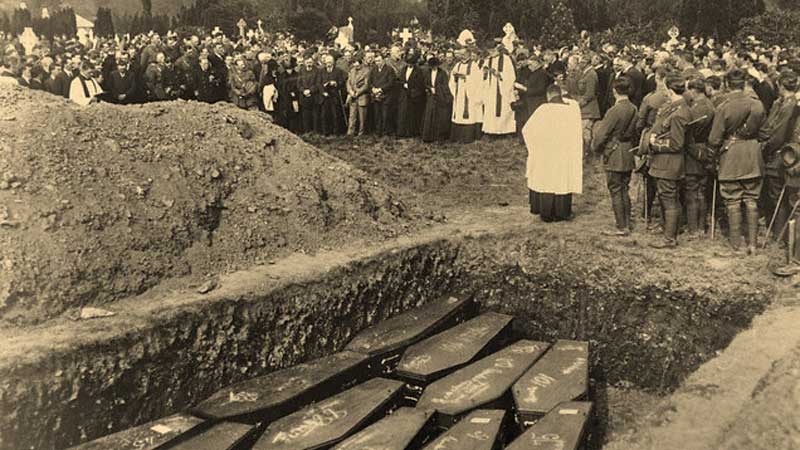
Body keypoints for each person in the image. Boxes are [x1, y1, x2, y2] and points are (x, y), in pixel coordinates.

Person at [708, 69, 766, 255]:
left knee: (732, 200)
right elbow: (765, 133)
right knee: (751, 199)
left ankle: (737, 246)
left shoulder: (724, 106)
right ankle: (753, 245)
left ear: (726, 85)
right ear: (744, 84)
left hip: (731, 155)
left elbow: (714, 139)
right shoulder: (757, 105)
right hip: (752, 155)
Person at [644, 73, 692, 249]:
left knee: (669, 199)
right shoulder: (676, 107)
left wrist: (655, 144)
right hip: (666, 163)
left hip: (668, 163)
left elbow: (677, 144)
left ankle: (669, 238)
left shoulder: (679, 112)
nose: (663, 91)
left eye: (664, 88)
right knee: (669, 198)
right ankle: (670, 230)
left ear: (671, 90)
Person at [523, 85, 583, 222]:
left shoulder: (543, 110)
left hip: (546, 152)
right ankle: (562, 212)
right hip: (564, 153)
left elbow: (527, 130)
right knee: (562, 180)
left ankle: (546, 213)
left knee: (546, 180)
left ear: (549, 96)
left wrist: (534, 148)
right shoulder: (572, 111)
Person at [592, 77, 639, 236]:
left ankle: (621, 226)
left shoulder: (614, 110)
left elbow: (601, 134)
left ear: (614, 91)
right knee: (624, 188)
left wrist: (596, 148)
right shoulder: (634, 108)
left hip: (614, 151)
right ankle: (626, 223)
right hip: (627, 151)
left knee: (615, 189)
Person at [758, 70, 799, 240]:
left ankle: (779, 234)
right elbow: (769, 126)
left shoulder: (790, 106)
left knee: (778, 196)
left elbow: (779, 134)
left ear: (781, 86)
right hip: (781, 152)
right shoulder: (780, 103)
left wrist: (766, 146)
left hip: (781, 155)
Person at [684, 78, 715, 238]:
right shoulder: (708, 104)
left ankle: (694, 228)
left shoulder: (700, 107)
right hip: (703, 149)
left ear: (693, 91)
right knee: (701, 190)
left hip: (695, 150)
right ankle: (700, 226)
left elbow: (689, 129)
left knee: (692, 190)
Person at [448, 47, 483, 143]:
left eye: (463, 54)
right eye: (460, 54)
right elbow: (452, 79)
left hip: (469, 94)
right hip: (459, 93)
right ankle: (457, 137)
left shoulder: (474, 66)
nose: (462, 56)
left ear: (468, 54)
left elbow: (478, 80)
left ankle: (467, 137)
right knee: (458, 113)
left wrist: (465, 77)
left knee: (469, 114)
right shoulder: (457, 65)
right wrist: (455, 77)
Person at [481, 45, 517, 136]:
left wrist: (500, 75)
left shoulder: (506, 60)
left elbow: (511, 76)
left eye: (493, 50)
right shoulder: (487, 60)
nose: (491, 52)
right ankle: (491, 131)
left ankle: (505, 131)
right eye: (489, 50)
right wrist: (485, 73)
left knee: (504, 109)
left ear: (498, 50)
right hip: (490, 90)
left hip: (502, 90)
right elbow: (482, 76)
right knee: (490, 110)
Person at [421, 56, 452, 143]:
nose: (434, 68)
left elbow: (445, 85)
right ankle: (428, 136)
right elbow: (425, 83)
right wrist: (430, 88)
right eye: (432, 66)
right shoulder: (428, 72)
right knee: (429, 115)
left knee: (439, 116)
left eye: (435, 66)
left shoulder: (442, 73)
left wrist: (437, 90)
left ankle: (439, 136)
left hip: (440, 96)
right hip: (431, 96)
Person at [396, 52, 426, 138]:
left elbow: (420, 84)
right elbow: (399, 80)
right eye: (408, 63)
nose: (409, 64)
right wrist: (403, 84)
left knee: (412, 114)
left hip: (413, 96)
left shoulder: (419, 71)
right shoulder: (403, 69)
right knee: (402, 113)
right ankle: (401, 132)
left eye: (411, 63)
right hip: (404, 95)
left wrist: (409, 86)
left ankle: (411, 132)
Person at [369, 53, 396, 136]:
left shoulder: (389, 69)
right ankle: (378, 131)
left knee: (386, 115)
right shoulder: (373, 70)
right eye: (376, 61)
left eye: (379, 61)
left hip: (386, 95)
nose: (378, 63)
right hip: (376, 95)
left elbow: (391, 82)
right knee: (377, 114)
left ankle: (386, 132)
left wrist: (381, 89)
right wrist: (373, 89)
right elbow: (370, 81)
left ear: (383, 60)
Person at [319, 54, 346, 135]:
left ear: (333, 62)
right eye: (327, 62)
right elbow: (319, 83)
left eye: (330, 62)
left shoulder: (338, 71)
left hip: (335, 95)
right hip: (325, 96)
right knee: (324, 115)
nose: (328, 64)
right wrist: (323, 91)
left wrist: (336, 83)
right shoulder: (321, 71)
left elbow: (342, 81)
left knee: (335, 115)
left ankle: (336, 132)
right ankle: (326, 132)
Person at [346, 57, 371, 136]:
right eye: (354, 64)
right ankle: (350, 132)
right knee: (352, 116)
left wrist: (358, 92)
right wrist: (350, 91)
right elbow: (348, 83)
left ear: (361, 63)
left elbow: (366, 85)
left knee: (362, 117)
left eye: (357, 65)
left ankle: (361, 133)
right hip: (353, 97)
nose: (356, 66)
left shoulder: (366, 71)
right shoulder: (352, 71)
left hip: (362, 96)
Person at [297, 57, 321, 132]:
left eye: (310, 62)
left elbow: (318, 83)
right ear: (304, 63)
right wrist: (303, 91)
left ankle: (315, 132)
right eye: (307, 62)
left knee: (315, 116)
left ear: (313, 62)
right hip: (304, 97)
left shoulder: (317, 71)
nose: (309, 64)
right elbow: (298, 83)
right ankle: (307, 132)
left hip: (314, 97)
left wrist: (310, 91)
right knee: (305, 116)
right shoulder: (301, 70)